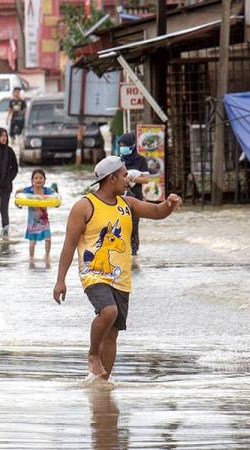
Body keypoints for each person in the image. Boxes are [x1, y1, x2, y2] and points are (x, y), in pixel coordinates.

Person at [52, 156, 182, 379]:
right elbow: (69, 244)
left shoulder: (127, 204)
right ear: (111, 179)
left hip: (121, 278)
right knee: (108, 311)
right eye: (124, 175)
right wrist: (60, 280)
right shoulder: (84, 206)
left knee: (112, 334)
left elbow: (157, 212)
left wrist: (169, 204)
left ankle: (102, 382)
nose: (128, 179)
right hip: (94, 274)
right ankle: (92, 354)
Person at [119, 132, 150, 256]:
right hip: (120, 197)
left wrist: (132, 178)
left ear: (131, 146)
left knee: (134, 224)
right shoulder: (118, 160)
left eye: (124, 145)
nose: (122, 147)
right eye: (120, 145)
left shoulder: (141, 160)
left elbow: (146, 179)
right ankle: (121, 249)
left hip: (136, 197)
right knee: (121, 224)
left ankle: (134, 253)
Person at [16, 169, 53, 265]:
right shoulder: (29, 190)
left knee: (48, 239)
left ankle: (47, 255)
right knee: (32, 242)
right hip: (32, 221)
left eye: (41, 178)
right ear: (32, 180)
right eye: (36, 178)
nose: (38, 180)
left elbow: (56, 198)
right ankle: (31, 257)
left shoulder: (47, 191)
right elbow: (18, 193)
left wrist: (56, 201)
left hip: (44, 220)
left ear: (45, 180)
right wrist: (17, 203)